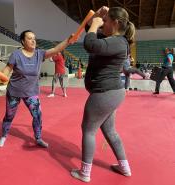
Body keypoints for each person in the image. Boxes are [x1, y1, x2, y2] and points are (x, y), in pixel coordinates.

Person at [71, 6, 135, 182]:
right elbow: (88, 31)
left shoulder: (118, 42)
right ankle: (124, 168)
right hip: (111, 94)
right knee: (110, 131)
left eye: (105, 21)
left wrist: (95, 25)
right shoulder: (110, 39)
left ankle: (85, 173)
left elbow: (90, 43)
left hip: (105, 93)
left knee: (88, 130)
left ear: (114, 23)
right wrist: (97, 17)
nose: (102, 24)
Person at [0, 30, 74, 148]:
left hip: (31, 92)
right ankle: (4, 135)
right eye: (29, 38)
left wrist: (68, 40)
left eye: (34, 38)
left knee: (37, 115)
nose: (33, 41)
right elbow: (7, 69)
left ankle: (38, 138)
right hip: (14, 91)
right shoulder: (16, 55)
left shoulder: (39, 54)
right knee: (9, 115)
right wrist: (2, 76)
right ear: (23, 41)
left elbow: (55, 50)